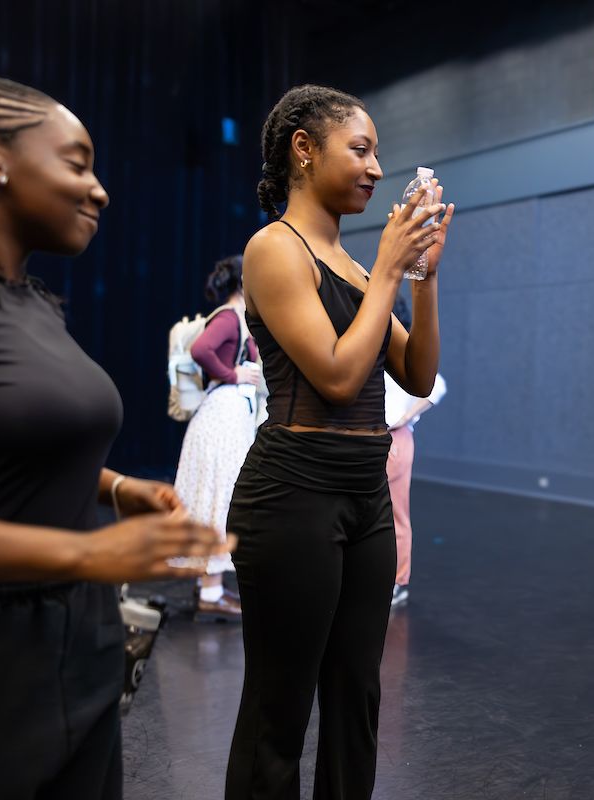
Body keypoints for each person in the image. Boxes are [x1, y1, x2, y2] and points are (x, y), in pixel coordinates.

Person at [0, 74, 230, 799]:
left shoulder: (33, 305)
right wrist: (82, 550)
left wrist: (118, 488)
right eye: (76, 162)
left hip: (74, 651)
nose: (100, 190)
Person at [224, 84, 453, 799]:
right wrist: (388, 267)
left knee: (358, 700)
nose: (377, 168)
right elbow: (333, 375)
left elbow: (416, 372)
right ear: (304, 149)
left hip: (363, 493)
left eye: (377, 153)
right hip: (293, 494)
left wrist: (422, 279)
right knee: (279, 708)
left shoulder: (358, 267)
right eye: (361, 148)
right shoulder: (274, 248)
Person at [174, 254, 261, 622]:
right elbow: (201, 350)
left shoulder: (239, 318)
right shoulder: (228, 316)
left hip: (227, 415)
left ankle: (208, 586)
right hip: (222, 415)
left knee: (219, 494)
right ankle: (209, 591)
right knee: (218, 495)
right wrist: (232, 374)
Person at [384, 296, 446, 607]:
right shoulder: (380, 348)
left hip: (394, 438)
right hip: (376, 437)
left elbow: (438, 385)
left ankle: (397, 580)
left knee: (396, 514)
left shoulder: (404, 349)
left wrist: (406, 417)